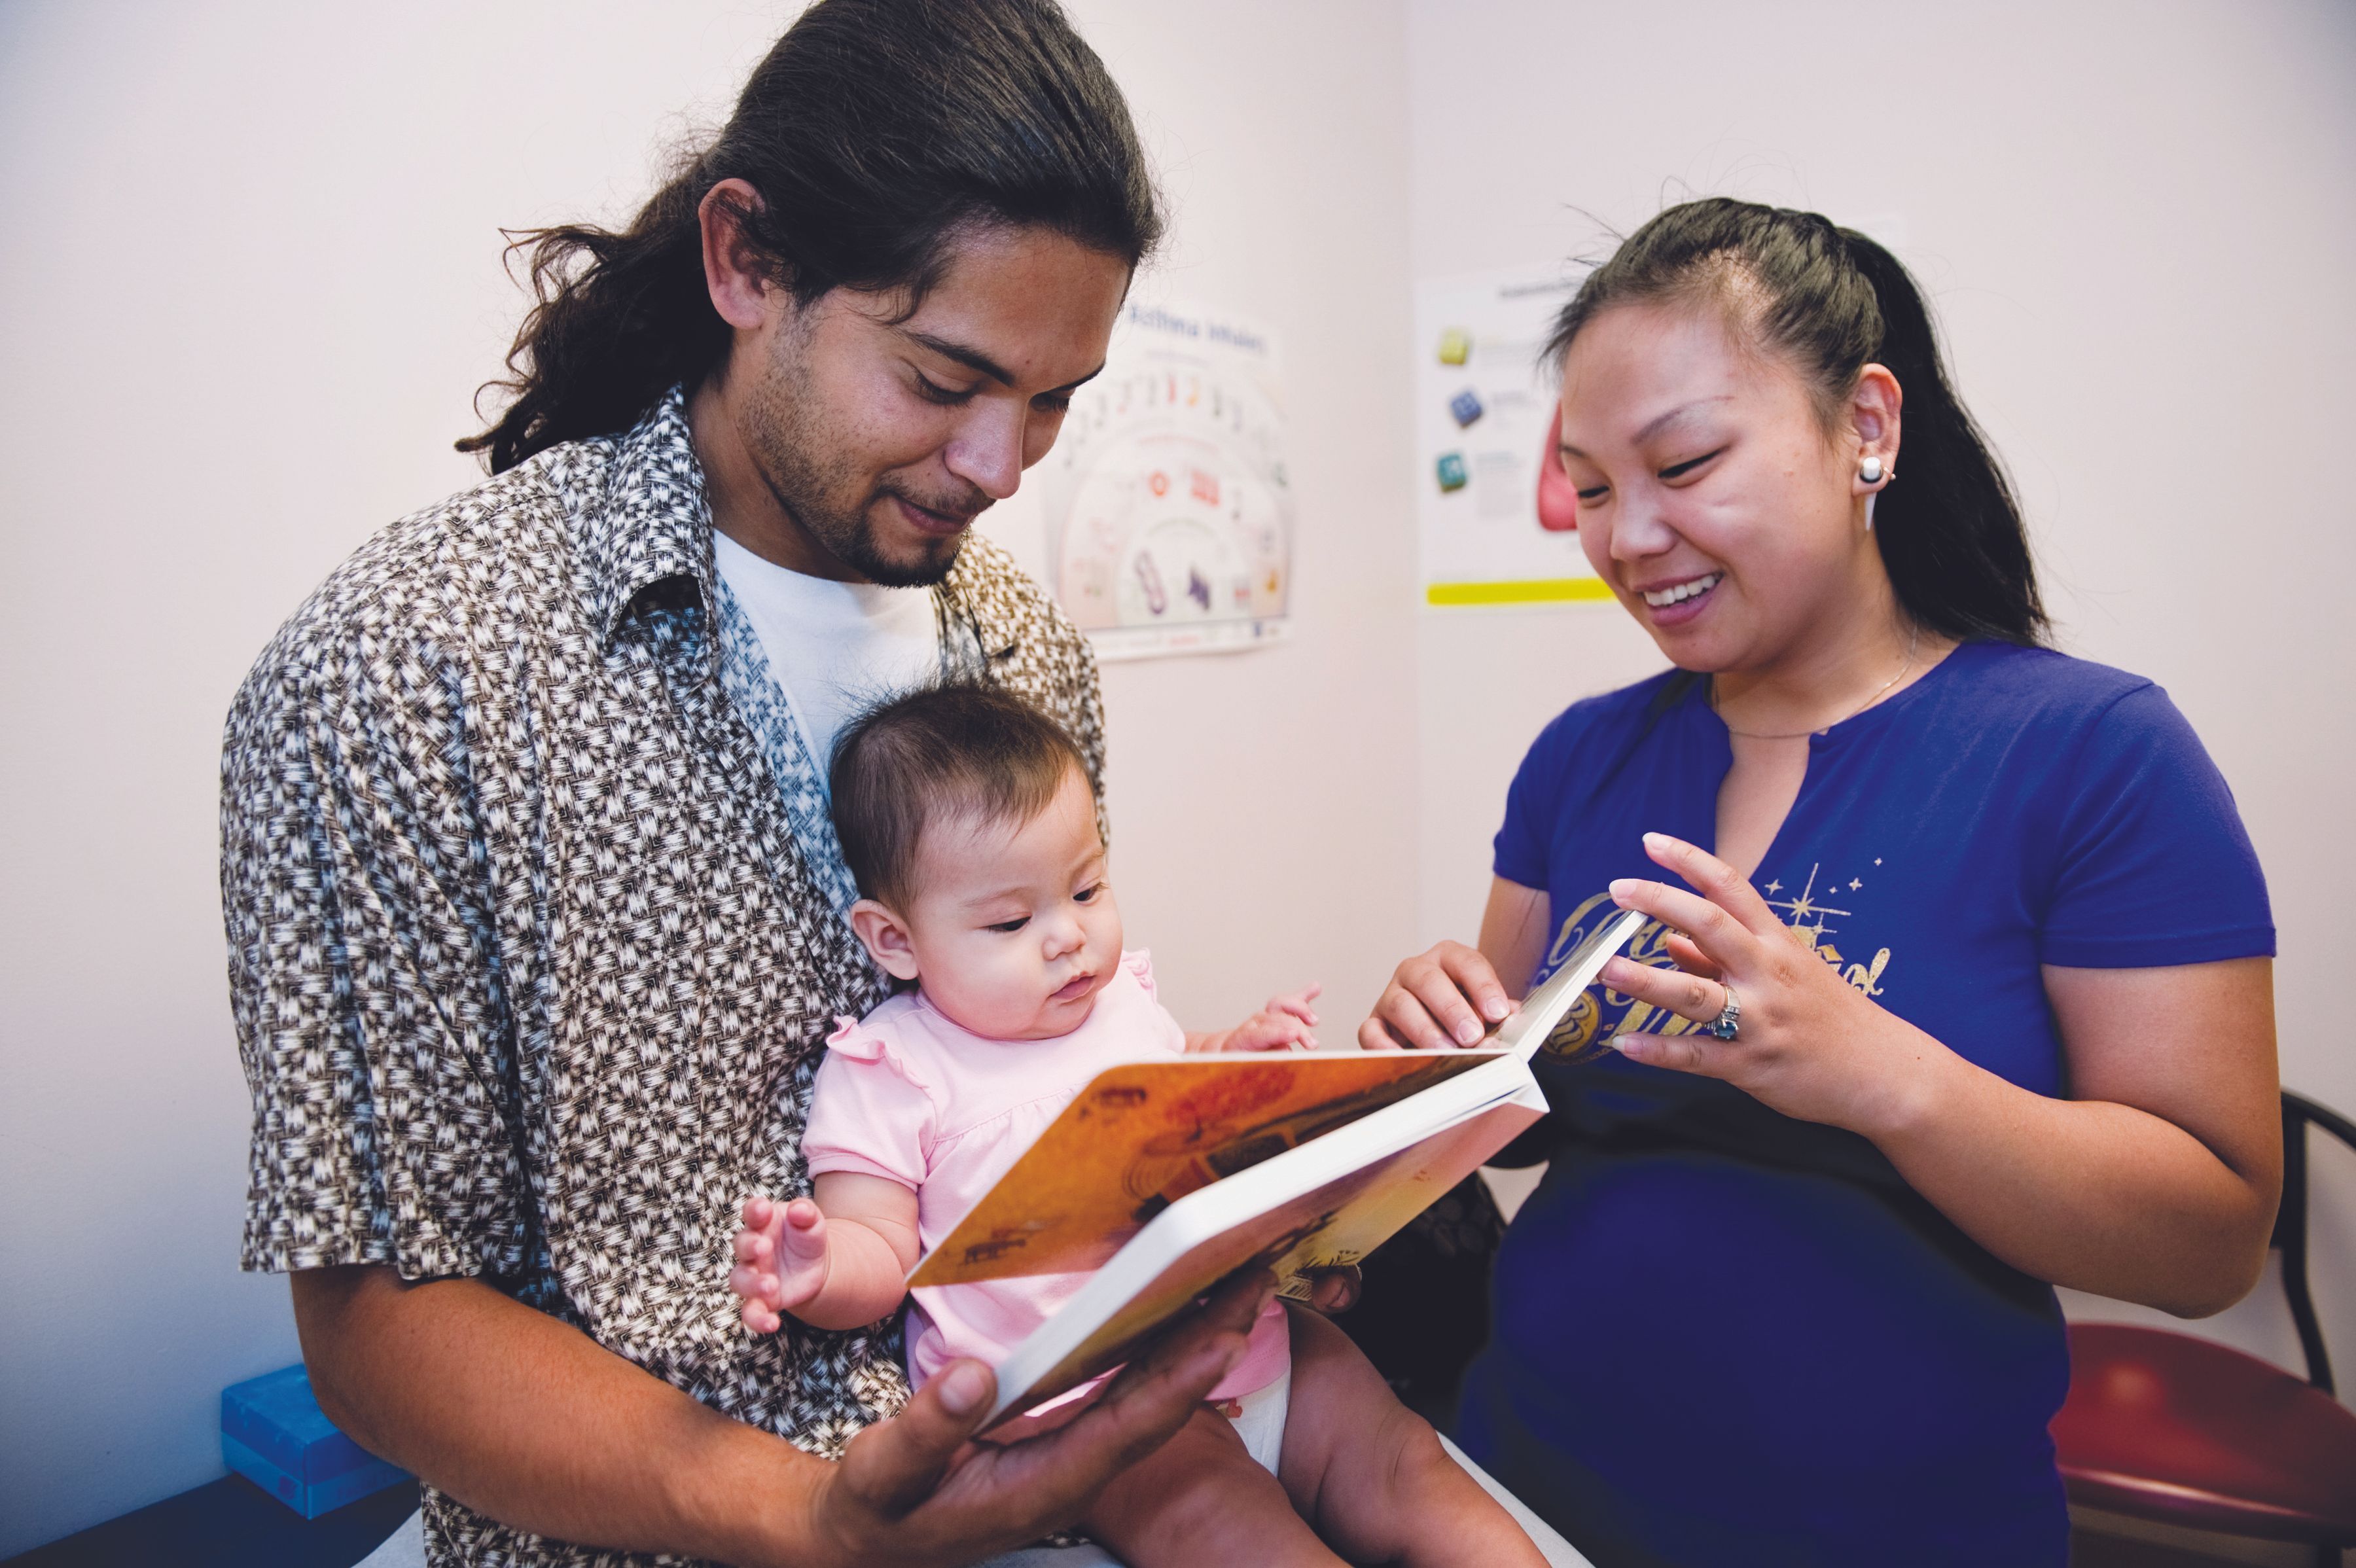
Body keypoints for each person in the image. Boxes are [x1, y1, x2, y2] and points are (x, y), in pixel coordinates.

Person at [219, 3, 1298, 1563]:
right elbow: (381, 1318)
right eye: (943, 377)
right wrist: (810, 1516)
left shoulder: (1027, 657)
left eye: (1057, 399)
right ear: (747, 264)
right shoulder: (408, 671)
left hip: (1055, 1461)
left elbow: (1031, 1128)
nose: (1004, 466)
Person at [1361, 198, 2281, 1567]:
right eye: (1595, 487)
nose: (1626, 538)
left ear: (1866, 428)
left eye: (1685, 463)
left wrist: (1873, 1070)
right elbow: (1525, 1115)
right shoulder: (1583, 755)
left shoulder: (2092, 753)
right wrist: (1437, 1062)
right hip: (1521, 1493)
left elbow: (2210, 1243)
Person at [727, 684, 1552, 1568]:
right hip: (1091, 1407)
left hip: (1255, 1330)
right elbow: (883, 1254)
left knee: (1406, 1463)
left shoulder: (1117, 1001)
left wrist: (1235, 1051)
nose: (1068, 938)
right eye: (1011, 920)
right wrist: (815, 1269)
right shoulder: (895, 1069)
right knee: (1225, 1521)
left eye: (1086, 889)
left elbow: (1176, 1084)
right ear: (894, 941)